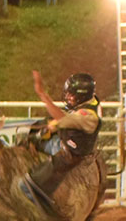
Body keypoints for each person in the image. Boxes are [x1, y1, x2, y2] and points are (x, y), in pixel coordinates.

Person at [24, 71, 101, 211]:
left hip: (71, 151)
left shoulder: (88, 115)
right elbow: (67, 120)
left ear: (82, 95)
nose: (68, 97)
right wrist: (51, 127)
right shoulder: (87, 106)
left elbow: (64, 119)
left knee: (27, 183)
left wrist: (43, 95)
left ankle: (37, 196)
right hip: (72, 143)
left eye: (72, 95)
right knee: (38, 132)